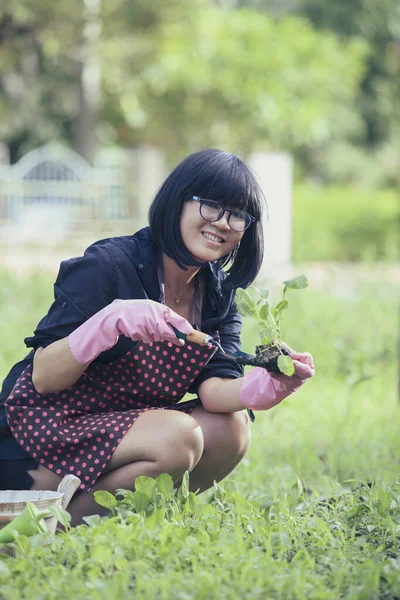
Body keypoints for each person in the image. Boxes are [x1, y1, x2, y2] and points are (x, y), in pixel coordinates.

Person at [0, 149, 314, 525]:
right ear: (177, 201)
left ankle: (82, 525)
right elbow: (44, 378)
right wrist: (109, 321)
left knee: (231, 429)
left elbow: (216, 390)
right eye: (211, 205)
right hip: (41, 437)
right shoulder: (109, 265)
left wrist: (269, 388)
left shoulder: (217, 294)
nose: (224, 222)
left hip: (117, 437)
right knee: (176, 437)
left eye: (238, 215)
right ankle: (31, 528)